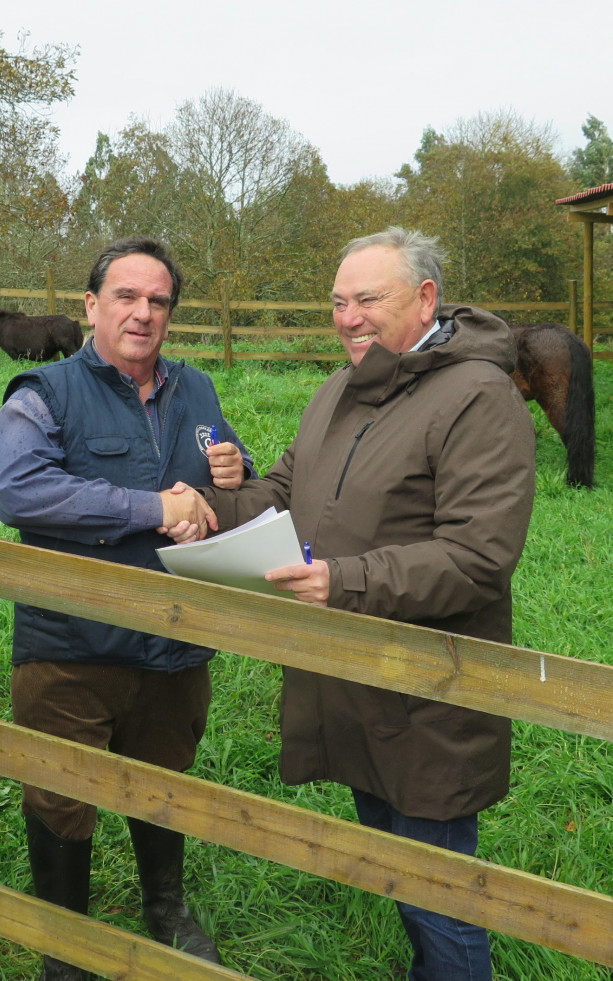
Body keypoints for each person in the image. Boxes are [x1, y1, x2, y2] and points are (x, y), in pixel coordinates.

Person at [195, 227, 536, 981]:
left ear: (423, 298)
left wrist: (341, 581)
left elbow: (478, 557)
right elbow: (283, 490)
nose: (346, 317)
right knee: (393, 866)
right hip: (349, 681)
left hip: (426, 697)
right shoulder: (341, 388)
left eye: (366, 299)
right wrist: (212, 508)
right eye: (337, 302)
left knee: (437, 894)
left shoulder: (478, 398)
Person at [0, 235, 255, 980]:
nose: (142, 313)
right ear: (90, 305)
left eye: (158, 300)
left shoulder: (196, 389)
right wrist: (149, 505)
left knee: (162, 780)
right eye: (126, 296)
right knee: (59, 793)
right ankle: (65, 945)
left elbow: (227, 473)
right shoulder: (42, 393)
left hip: (173, 643)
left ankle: (163, 909)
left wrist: (235, 469)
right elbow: (17, 489)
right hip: (69, 645)